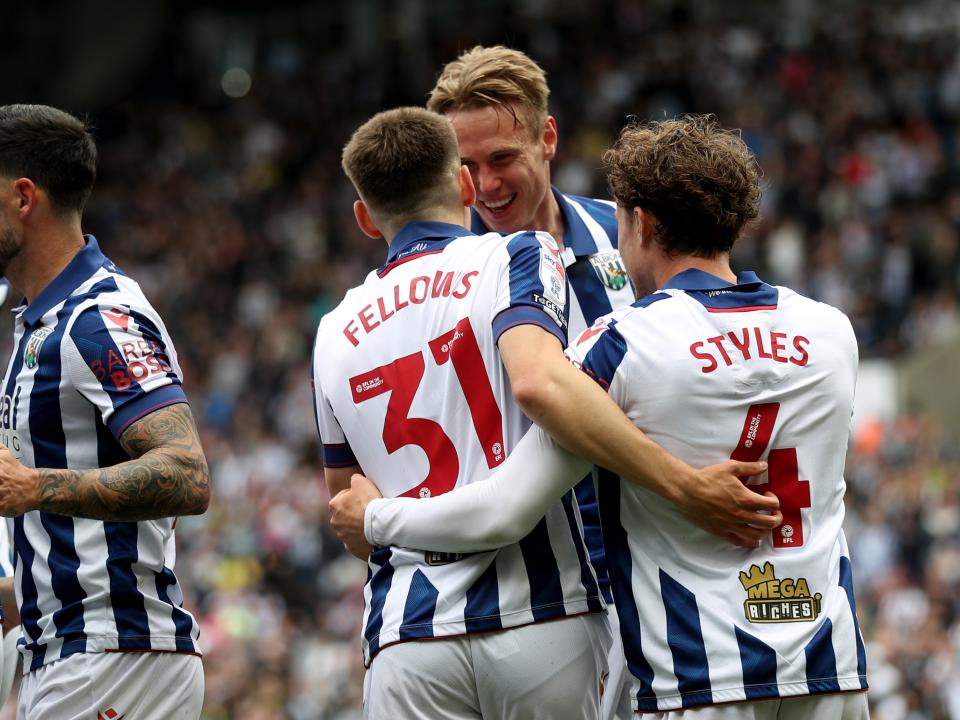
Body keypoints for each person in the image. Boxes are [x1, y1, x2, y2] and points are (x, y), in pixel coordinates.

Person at [330, 115, 870, 719]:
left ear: (638, 223)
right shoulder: (830, 332)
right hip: (831, 670)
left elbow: (504, 508)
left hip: (697, 676)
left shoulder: (617, 348)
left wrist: (374, 517)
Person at [0, 105, 209, 719]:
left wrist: (34, 486)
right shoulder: (39, 323)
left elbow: (187, 474)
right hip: (73, 655)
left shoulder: (96, 318)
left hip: (111, 659)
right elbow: (84, 548)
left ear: (23, 197)